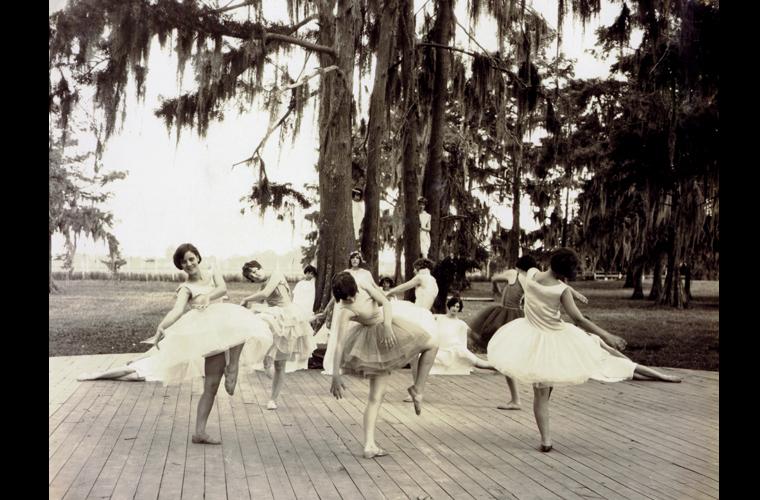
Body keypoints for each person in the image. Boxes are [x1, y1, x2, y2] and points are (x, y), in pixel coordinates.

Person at [487, 247, 680, 453]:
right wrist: (607, 335)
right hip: (555, 338)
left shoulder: (532, 274)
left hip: (531, 335)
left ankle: (546, 440)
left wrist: (572, 291)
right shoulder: (560, 291)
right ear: (565, 273)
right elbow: (578, 319)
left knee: (541, 392)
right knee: (552, 383)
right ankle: (546, 437)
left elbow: (533, 275)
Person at [80, 243, 273, 445]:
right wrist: (161, 326)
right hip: (208, 334)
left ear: (198, 257)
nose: (189, 264)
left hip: (224, 324)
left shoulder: (212, 272)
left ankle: (232, 367)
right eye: (184, 262)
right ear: (180, 266)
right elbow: (177, 310)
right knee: (211, 385)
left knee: (241, 322)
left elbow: (222, 288)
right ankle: (200, 432)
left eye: (191, 259)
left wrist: (208, 295)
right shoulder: (186, 287)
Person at [329, 271, 438, 458]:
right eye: (346, 298)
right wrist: (335, 375)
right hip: (373, 345)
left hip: (389, 329)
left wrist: (387, 326)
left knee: (432, 345)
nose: (351, 299)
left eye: (352, 295)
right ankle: (369, 445)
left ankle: (417, 389)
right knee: (376, 397)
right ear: (340, 298)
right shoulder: (345, 311)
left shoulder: (362, 284)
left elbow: (386, 302)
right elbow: (339, 344)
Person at [240, 260, 316, 410]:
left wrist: (245, 299)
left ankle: (273, 399)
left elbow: (265, 294)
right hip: (275, 318)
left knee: (280, 364)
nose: (256, 276)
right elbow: (264, 299)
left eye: (256, 271)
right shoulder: (262, 285)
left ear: (261, 267)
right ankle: (262, 360)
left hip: (288, 318)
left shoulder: (276, 274)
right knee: (268, 362)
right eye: (252, 277)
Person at [383, 258, 440, 411]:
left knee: (413, 354)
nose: (414, 271)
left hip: (418, 314)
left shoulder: (421, 277)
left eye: (414, 268)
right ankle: (417, 389)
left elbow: (403, 287)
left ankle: (415, 388)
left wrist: (389, 292)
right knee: (418, 355)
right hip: (427, 315)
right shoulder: (434, 281)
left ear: (419, 267)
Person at [431, 296, 495, 374]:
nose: (454, 308)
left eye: (457, 307)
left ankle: (501, 368)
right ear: (449, 306)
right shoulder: (439, 318)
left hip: (456, 351)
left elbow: (469, 336)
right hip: (441, 350)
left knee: (479, 363)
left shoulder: (461, 324)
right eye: (453, 306)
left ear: (459, 309)